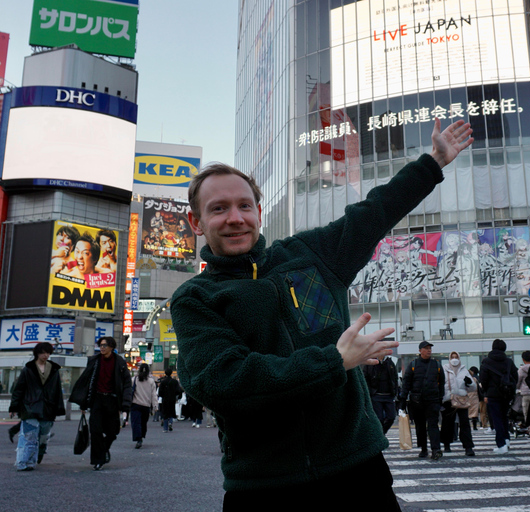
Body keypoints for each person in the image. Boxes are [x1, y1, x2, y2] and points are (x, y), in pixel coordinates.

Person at [170, 119, 472, 509]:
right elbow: (225, 381)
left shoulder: (309, 256)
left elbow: (374, 212)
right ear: (196, 222)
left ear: (258, 213)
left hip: (359, 472)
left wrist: (434, 162)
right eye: (219, 209)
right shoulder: (195, 298)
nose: (235, 218)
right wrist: (332, 362)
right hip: (263, 487)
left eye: (244, 205)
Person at [70, 336, 132, 471]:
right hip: (97, 400)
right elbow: (85, 382)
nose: (102, 348)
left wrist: (125, 404)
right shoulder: (94, 360)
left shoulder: (120, 362)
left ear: (111, 347)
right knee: (95, 430)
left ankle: (104, 449)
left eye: (105, 345)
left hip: (112, 400)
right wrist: (83, 403)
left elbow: (127, 384)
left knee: (113, 431)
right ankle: (98, 460)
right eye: (101, 345)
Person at [9, 342, 66, 471]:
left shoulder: (54, 369)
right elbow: (19, 389)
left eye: (48, 352)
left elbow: (57, 390)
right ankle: (23, 463)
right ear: (37, 353)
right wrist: (14, 407)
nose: (46, 355)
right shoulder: (28, 369)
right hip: (30, 407)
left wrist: (58, 408)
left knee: (42, 437)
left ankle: (31, 461)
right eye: (43, 352)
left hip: (47, 408)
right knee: (30, 436)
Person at [400, 341, 446, 460]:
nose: (429, 350)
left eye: (430, 348)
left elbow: (441, 383)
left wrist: (440, 398)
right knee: (420, 426)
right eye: (426, 348)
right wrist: (402, 400)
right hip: (417, 401)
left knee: (433, 425)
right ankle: (423, 449)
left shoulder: (437, 365)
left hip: (432, 400)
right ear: (420, 351)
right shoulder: (413, 364)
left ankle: (436, 449)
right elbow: (406, 383)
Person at [480, 339, 517, 455]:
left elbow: (483, 380)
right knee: (504, 417)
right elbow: (515, 377)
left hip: (493, 394)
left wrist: (486, 391)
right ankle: (506, 440)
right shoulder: (509, 362)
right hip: (506, 394)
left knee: (496, 419)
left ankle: (501, 444)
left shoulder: (486, 361)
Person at [440, 352, 476, 456]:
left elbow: (473, 387)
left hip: (462, 399)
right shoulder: (444, 369)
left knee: (465, 423)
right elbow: (441, 385)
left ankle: (468, 447)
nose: (454, 359)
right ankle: (447, 445)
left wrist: (469, 383)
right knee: (447, 423)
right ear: (449, 358)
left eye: (456, 357)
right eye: (452, 357)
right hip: (448, 400)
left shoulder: (464, 370)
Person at [363, 355, 399, 435]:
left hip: (389, 395)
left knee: (391, 417)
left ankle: (381, 434)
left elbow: (395, 378)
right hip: (376, 395)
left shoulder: (389, 363)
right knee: (379, 418)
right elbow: (365, 378)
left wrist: (395, 391)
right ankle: (380, 435)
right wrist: (369, 392)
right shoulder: (371, 363)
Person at [130, 363, 158, 449]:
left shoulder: (134, 379)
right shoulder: (151, 381)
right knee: (143, 422)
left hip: (135, 404)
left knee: (136, 422)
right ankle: (141, 436)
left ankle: (138, 439)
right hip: (146, 406)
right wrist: (155, 406)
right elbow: (154, 394)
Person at [157, 368, 183, 433]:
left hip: (165, 399)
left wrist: (163, 395)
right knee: (171, 411)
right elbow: (178, 391)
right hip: (172, 399)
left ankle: (165, 428)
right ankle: (170, 422)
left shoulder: (163, 382)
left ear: (165, 373)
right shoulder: (174, 382)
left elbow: (160, 392)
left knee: (165, 413)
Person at [517, 350, 530, 436]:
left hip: (526, 393)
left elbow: (518, 382)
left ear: (523, 359)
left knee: (527, 414)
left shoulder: (521, 370)